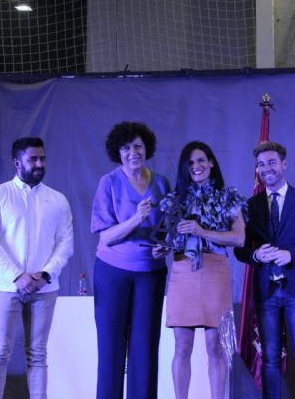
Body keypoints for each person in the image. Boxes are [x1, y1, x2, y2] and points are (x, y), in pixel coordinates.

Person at [0, 137, 74, 399]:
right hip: (5, 286)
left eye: (42, 158)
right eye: (33, 159)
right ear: (17, 163)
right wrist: (17, 276)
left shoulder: (57, 200)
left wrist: (44, 275)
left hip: (45, 288)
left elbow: (66, 243)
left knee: (38, 354)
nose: (40, 164)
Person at [234, 142, 295, 399]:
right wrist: (254, 255)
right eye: (261, 164)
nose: (266, 168)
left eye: (271, 162)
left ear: (284, 164)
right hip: (265, 293)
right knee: (270, 358)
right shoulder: (250, 206)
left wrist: (292, 255)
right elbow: (239, 249)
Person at [91, 122, 170, 399]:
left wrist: (165, 246)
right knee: (112, 348)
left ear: (146, 147)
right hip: (112, 273)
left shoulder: (161, 183)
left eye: (138, 146)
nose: (133, 152)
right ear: (118, 152)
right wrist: (136, 217)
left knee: (145, 348)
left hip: (151, 273)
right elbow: (105, 238)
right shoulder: (108, 183)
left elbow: (166, 230)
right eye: (126, 148)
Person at [164, 141, 246, 399]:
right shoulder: (174, 200)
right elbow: (167, 237)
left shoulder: (228, 196)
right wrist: (161, 247)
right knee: (182, 345)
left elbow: (239, 238)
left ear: (211, 162)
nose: (196, 166)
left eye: (201, 160)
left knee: (215, 345)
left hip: (215, 270)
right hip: (182, 271)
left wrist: (202, 232)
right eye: (190, 163)